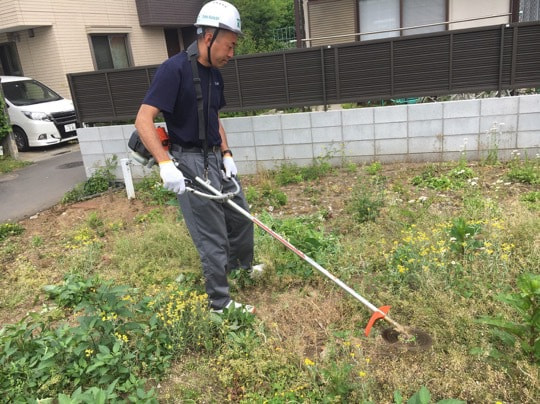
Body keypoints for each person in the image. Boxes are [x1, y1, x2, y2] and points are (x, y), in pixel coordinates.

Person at [134, 0, 262, 314]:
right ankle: (220, 304)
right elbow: (143, 119)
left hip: (216, 159)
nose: (231, 53)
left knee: (241, 219)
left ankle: (241, 267)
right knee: (212, 236)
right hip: (189, 162)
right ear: (209, 37)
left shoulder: (215, 75)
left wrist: (227, 153)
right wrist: (165, 163)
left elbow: (213, 116)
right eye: (229, 45)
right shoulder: (174, 69)